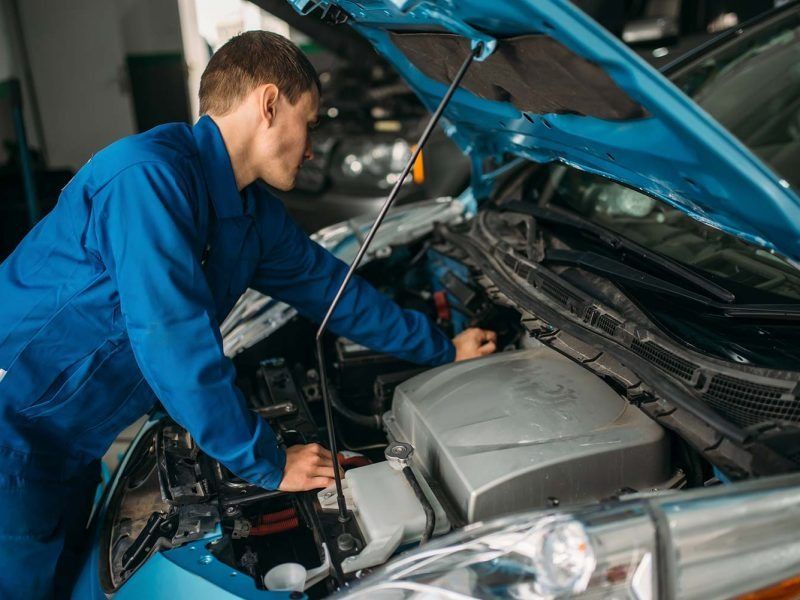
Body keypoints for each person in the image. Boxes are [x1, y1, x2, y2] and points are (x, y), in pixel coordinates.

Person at [0, 31, 497, 598]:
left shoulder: (251, 216)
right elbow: (172, 338)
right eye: (309, 122)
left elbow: (335, 292)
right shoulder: (146, 179)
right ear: (268, 104)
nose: (311, 147)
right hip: (12, 436)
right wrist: (265, 461)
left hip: (71, 446)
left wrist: (443, 348)